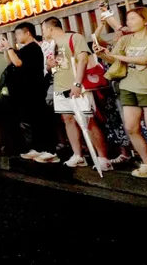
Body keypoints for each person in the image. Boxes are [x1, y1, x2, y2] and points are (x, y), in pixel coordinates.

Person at [94, 7, 147, 182]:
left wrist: (116, 56)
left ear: (146, 20)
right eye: (128, 19)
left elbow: (145, 59)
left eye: (133, 19)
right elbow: (114, 59)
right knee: (132, 127)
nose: (128, 22)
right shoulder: (126, 40)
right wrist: (103, 54)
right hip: (128, 85)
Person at [41, 18, 111, 171]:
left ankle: (102, 157)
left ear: (50, 28)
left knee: (87, 119)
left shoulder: (74, 38)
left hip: (77, 85)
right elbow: (47, 66)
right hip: (59, 85)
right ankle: (78, 155)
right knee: (68, 119)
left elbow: (83, 59)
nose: (43, 33)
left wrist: (78, 83)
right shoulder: (49, 45)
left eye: (43, 29)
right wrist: (48, 65)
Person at [0, 22, 55, 162]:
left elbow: (18, 63)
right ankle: (37, 148)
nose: (16, 37)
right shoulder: (24, 49)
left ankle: (48, 149)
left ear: (27, 33)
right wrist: (7, 50)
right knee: (32, 120)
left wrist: (9, 48)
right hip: (24, 92)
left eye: (18, 34)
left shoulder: (33, 48)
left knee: (39, 120)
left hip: (34, 89)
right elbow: (11, 62)